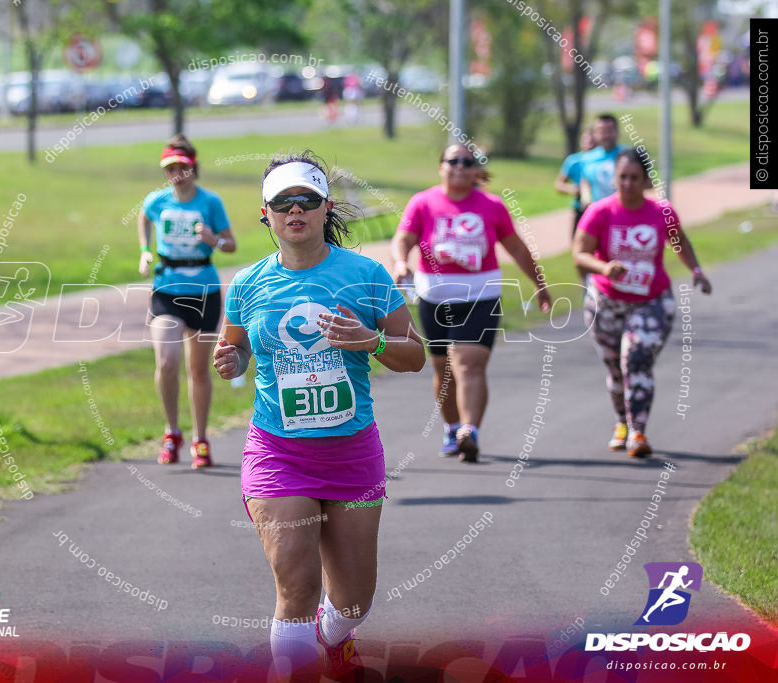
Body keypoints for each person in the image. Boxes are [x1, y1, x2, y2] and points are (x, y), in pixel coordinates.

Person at [215, 152, 425, 678]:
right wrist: (231, 358)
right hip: (278, 452)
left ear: (325, 207)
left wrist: (372, 340)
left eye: (306, 201)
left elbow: (414, 355)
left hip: (351, 451)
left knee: (354, 603)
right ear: (265, 214)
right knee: (297, 588)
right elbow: (237, 347)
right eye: (282, 203)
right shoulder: (247, 285)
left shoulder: (366, 274)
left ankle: (332, 640)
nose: (295, 211)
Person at [391, 144, 550, 462]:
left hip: (481, 296)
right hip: (433, 297)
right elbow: (404, 238)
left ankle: (470, 431)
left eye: (467, 162)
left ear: (477, 171)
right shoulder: (423, 202)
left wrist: (540, 285)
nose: (459, 166)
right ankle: (452, 429)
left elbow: (517, 248)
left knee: (469, 364)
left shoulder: (491, 206)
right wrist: (400, 262)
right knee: (443, 368)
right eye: (453, 160)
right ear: (441, 167)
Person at [573, 148, 711, 459]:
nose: (627, 184)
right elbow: (579, 253)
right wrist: (604, 267)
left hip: (651, 301)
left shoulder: (661, 212)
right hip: (605, 302)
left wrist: (697, 271)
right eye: (622, 177)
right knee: (616, 370)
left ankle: (638, 432)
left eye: (635, 178)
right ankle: (622, 422)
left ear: (646, 180)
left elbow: (680, 242)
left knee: (635, 361)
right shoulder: (600, 211)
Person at [138, 135, 236, 468]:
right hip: (167, 289)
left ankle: (200, 438)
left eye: (183, 167)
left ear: (193, 167)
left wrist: (214, 240)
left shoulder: (211, 202)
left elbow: (231, 245)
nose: (177, 174)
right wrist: (144, 250)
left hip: (204, 292)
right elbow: (144, 217)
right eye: (171, 169)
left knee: (198, 370)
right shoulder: (157, 200)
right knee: (166, 361)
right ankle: (171, 432)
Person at [554, 127, 596, 235]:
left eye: (592, 140)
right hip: (580, 208)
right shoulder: (573, 161)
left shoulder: (604, 160)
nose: (589, 143)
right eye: (586, 139)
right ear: (581, 141)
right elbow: (559, 184)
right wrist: (573, 189)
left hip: (600, 205)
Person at [579, 114, 625, 204]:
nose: (605, 135)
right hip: (598, 211)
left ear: (617, 132)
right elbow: (585, 180)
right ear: (594, 134)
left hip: (624, 210)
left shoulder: (628, 156)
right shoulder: (587, 158)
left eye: (609, 131)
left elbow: (647, 183)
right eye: (601, 131)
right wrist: (586, 197)